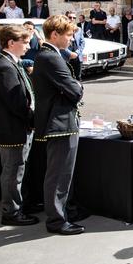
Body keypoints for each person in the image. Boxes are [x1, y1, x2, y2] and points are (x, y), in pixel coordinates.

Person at [32, 15, 84, 235]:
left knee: (62, 173)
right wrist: (76, 87)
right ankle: (56, 220)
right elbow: (75, 90)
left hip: (60, 120)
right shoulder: (50, 57)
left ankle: (63, 213)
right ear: (55, 34)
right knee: (59, 174)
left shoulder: (52, 55)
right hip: (59, 123)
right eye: (69, 34)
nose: (72, 39)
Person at [0, 25, 38, 226]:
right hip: (13, 131)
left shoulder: (13, 63)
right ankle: (11, 212)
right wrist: (33, 119)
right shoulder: (4, 67)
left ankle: (20, 205)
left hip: (19, 128)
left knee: (18, 170)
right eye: (24, 42)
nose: (28, 46)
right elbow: (17, 103)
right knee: (12, 172)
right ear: (11, 42)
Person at [63, 12, 85, 81]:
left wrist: (77, 53)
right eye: (70, 17)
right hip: (67, 56)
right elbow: (61, 44)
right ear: (66, 18)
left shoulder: (79, 29)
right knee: (68, 77)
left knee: (78, 77)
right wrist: (70, 53)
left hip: (77, 56)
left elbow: (82, 42)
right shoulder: (63, 30)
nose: (72, 19)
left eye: (74, 18)